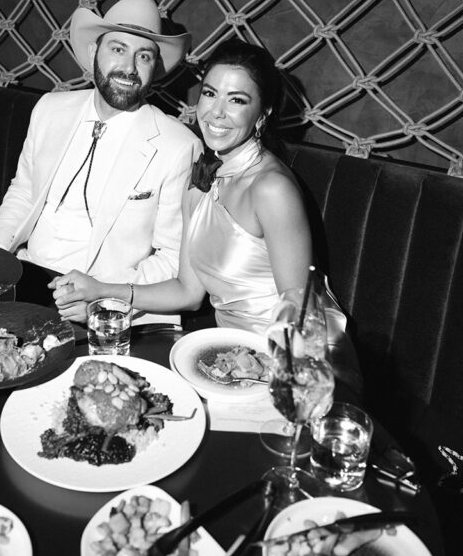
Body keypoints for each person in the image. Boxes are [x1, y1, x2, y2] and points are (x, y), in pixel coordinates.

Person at [51, 39, 360, 393]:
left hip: (300, 365)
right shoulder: (200, 181)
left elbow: (300, 313)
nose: (216, 112)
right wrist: (101, 290)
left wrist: (264, 381)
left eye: (237, 100)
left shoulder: (271, 189)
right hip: (230, 358)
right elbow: (187, 291)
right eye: (210, 94)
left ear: (263, 114)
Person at [0, 0, 202, 293]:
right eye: (118, 49)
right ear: (94, 51)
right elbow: (22, 192)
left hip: (103, 297)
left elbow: (171, 257)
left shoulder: (180, 146)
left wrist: (100, 294)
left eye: (144, 56)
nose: (129, 68)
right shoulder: (49, 109)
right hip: (24, 274)